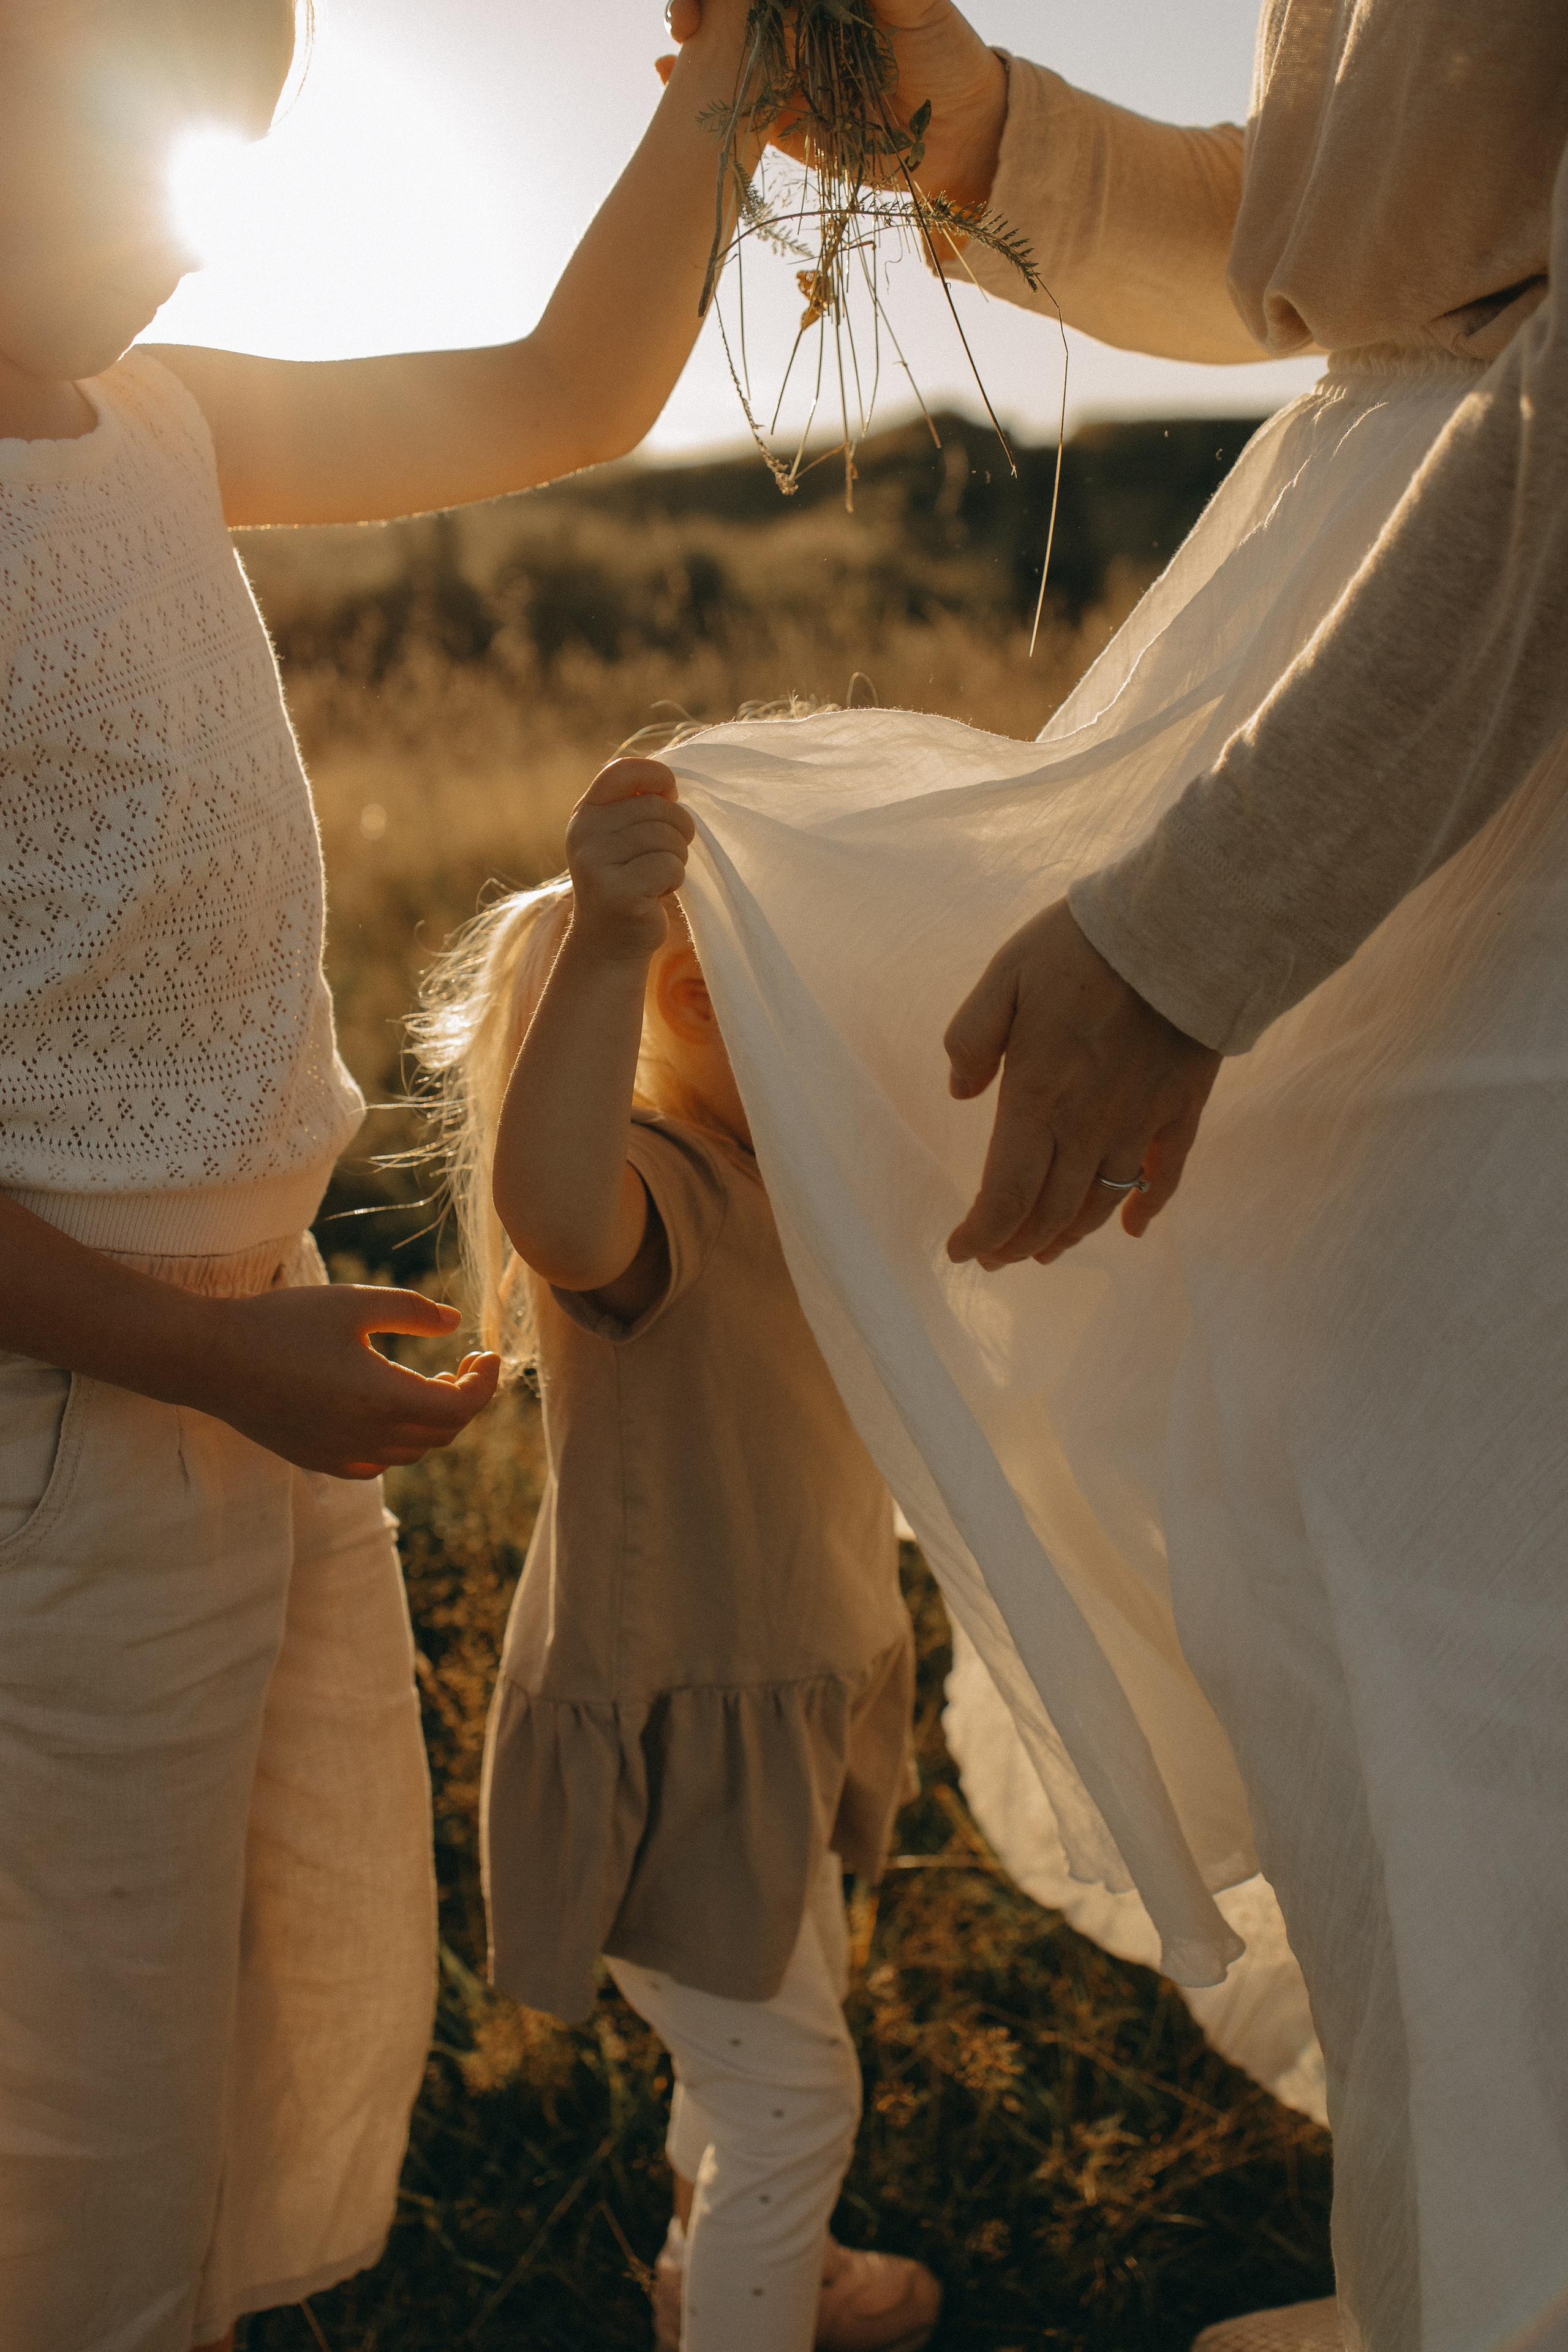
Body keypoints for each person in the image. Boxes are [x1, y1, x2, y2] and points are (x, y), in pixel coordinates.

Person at [659, 6, 1568, 2350]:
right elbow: (1371, 237)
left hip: (1514, 724)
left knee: (1480, 1612)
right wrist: (971, 124)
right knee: (1343, 1575)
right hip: (1377, 664)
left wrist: (1196, 924)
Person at [0, 2, 776, 2345]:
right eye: (113, 154)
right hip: (63, 1422)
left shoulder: (163, 416)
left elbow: (562, 392)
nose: (174, 222)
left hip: (229, 1376)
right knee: (74, 2126)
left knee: (225, 2045)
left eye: (215, 152)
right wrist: (213, 1358)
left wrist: (733, 86)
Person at [412, 753, 941, 2352]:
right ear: (710, 1002)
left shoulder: (804, 1180)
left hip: (778, 1705)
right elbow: (559, 1215)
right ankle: (745, 2301)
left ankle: (715, 2266)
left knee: (764, 2028)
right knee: (790, 2099)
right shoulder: (670, 1188)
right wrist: (606, 945)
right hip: (678, 1737)